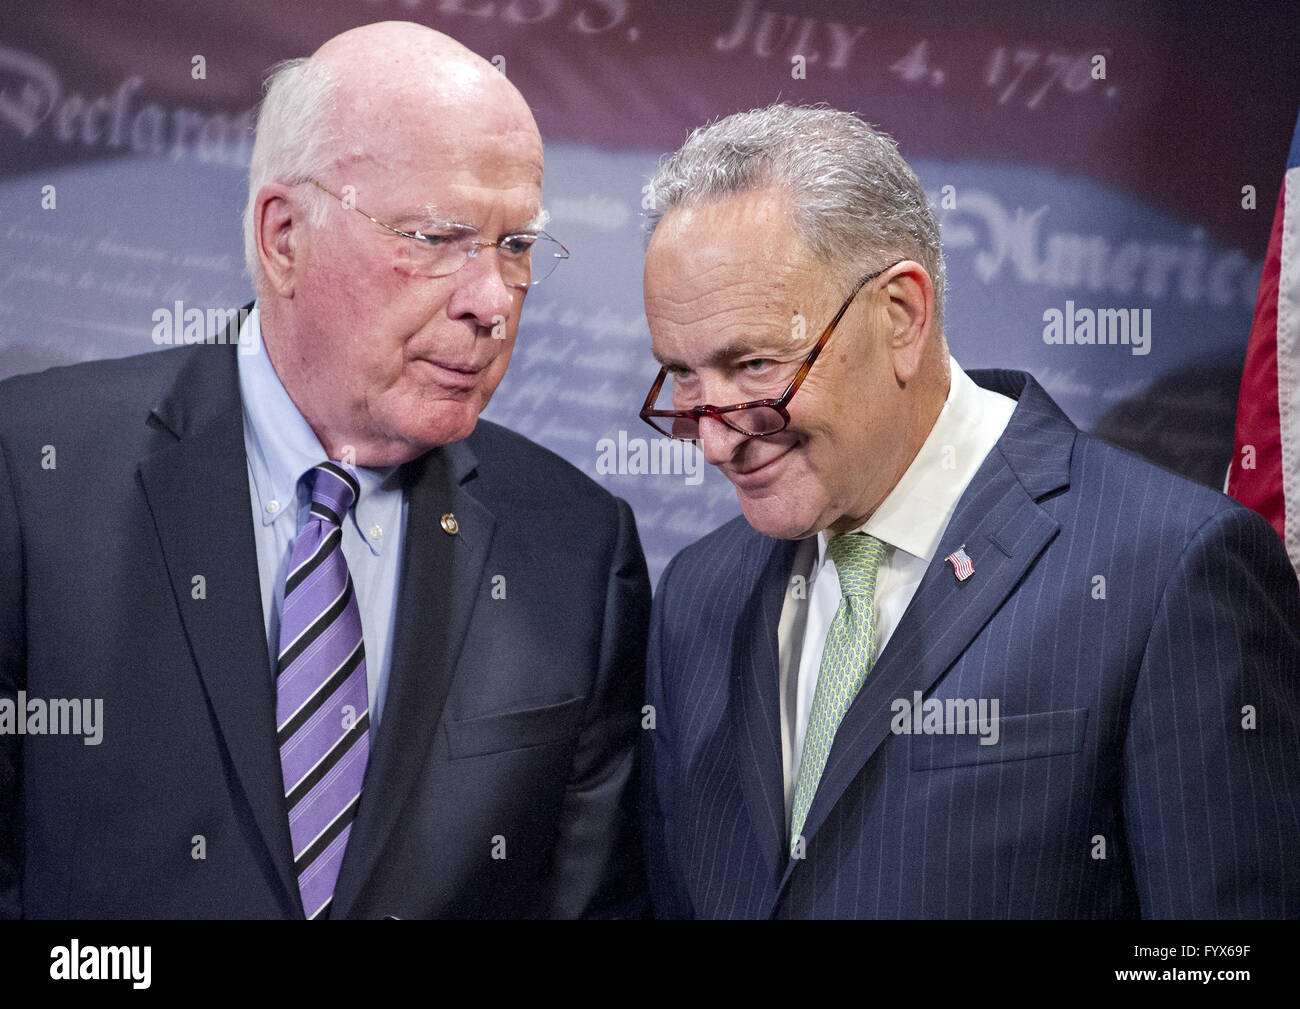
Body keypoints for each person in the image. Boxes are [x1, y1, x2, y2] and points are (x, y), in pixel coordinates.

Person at [0, 21, 649, 919]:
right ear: (285, 235)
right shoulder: (31, 474)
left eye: (517, 246)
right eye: (437, 235)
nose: (492, 302)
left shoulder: (576, 549)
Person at [637, 103, 1300, 919]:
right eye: (684, 378)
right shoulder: (699, 593)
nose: (714, 439)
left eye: (756, 365)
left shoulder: (1167, 570)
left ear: (901, 316)